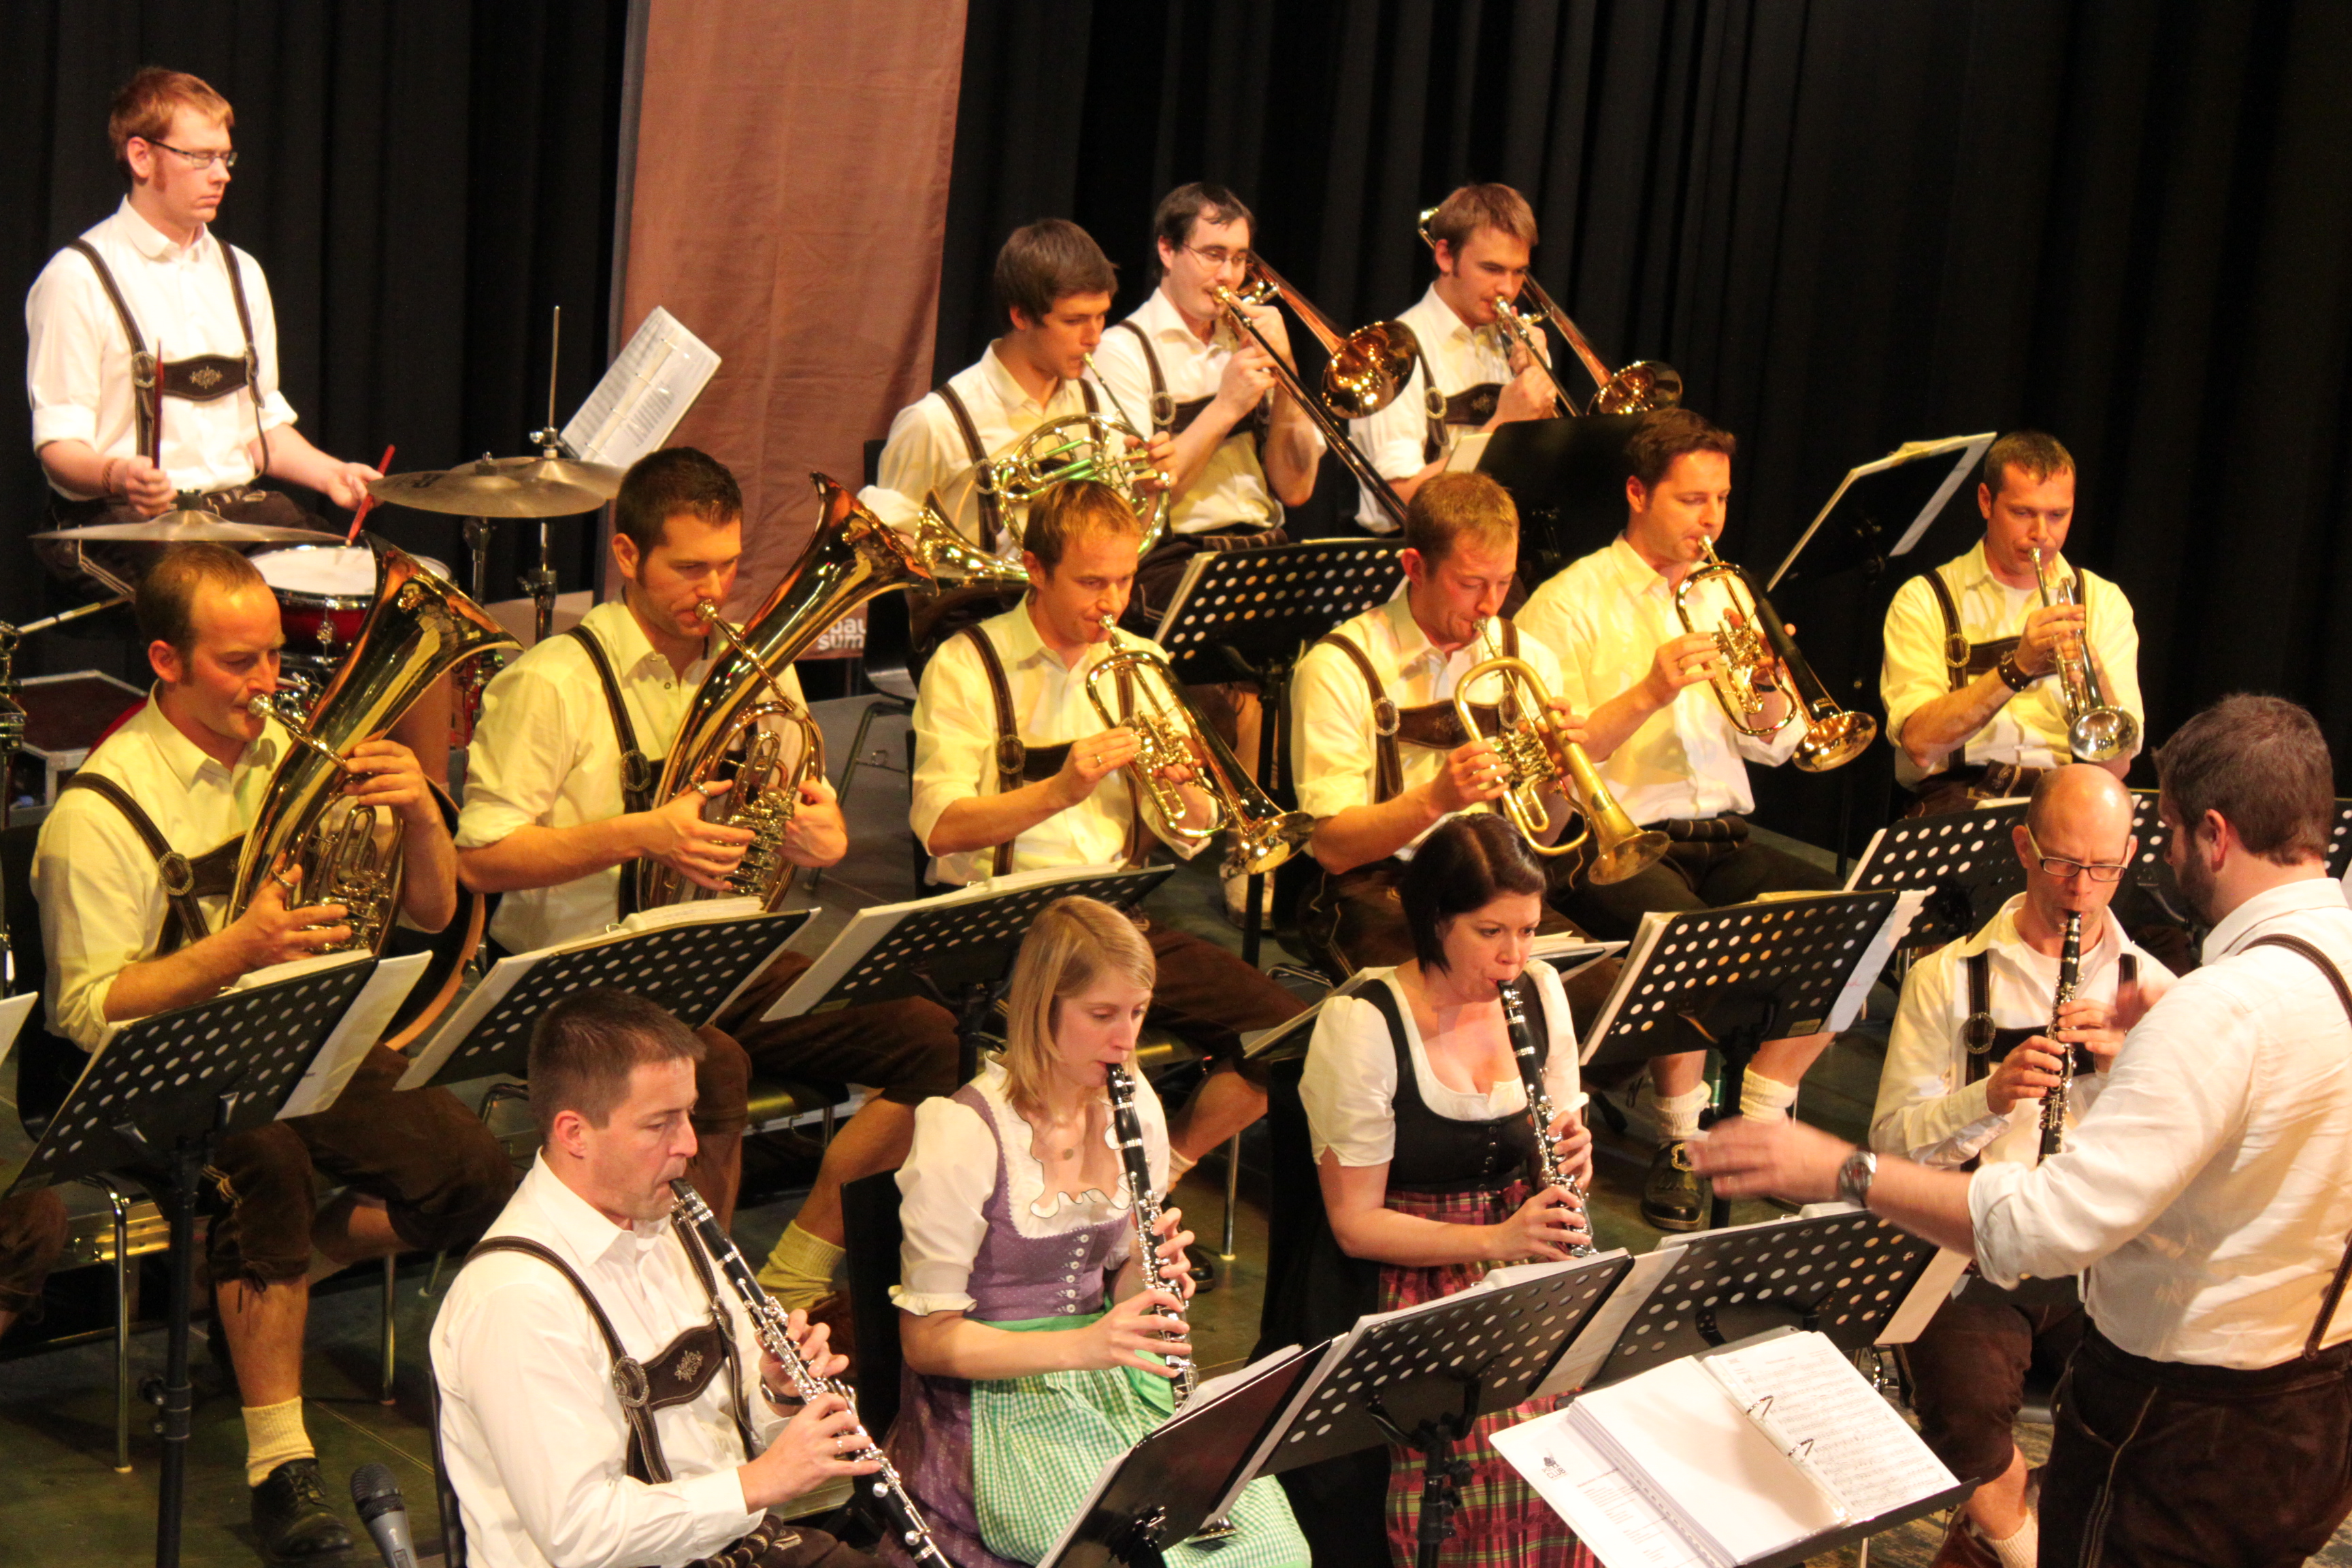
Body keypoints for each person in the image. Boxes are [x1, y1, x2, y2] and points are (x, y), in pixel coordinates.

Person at [1695, 694, 2352, 1568]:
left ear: (2215, 836)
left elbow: (2049, 1226)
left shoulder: (2217, 1006)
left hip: (2192, 1423)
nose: (2151, 860)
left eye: (2162, 834)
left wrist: (1843, 1170)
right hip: (2318, 1404)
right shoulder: (2315, 968)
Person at [27, 541, 512, 1563]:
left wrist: (420, 811)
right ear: (166, 661)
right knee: (269, 1173)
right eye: (239, 662)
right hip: (159, 1068)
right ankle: (278, 1468)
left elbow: (431, 914)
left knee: (469, 1168)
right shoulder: (96, 812)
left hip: (296, 1038)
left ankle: (252, 1293)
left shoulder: (296, 754)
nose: (269, 683)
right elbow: (86, 1010)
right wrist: (235, 951)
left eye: (275, 656)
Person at [456, 447, 960, 1348]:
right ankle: (695, 1304)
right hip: (584, 976)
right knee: (713, 1067)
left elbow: (806, 813)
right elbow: (483, 860)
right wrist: (643, 833)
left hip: (720, 953)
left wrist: (821, 838)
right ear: (626, 555)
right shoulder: (551, 681)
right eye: (690, 568)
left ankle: (793, 1265)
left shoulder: (758, 667)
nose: (715, 591)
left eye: (728, 566)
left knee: (929, 1035)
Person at [885, 896, 1308, 1568]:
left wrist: (1148, 1275)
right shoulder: (965, 1131)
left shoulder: (1134, 1105)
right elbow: (926, 1342)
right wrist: (1085, 1344)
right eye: (1102, 1015)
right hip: (995, 1409)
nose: (1125, 1040)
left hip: (1112, 1384)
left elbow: (1117, 1287)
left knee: (1273, 1546)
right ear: (1041, 1008)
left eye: (1137, 1013)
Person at [909, 478, 1301, 1179]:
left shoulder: (1141, 663)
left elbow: (1191, 831)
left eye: (1124, 581)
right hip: (1007, 925)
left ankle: (1160, 1172)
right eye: (1092, 582)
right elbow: (941, 828)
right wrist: (1059, 791)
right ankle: (1069, 1196)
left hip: (1116, 917)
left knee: (1287, 1035)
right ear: (1036, 569)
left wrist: (1184, 791)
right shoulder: (968, 663)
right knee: (1095, 1044)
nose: (1112, 603)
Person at [1516, 407, 1839, 1232]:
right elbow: (1552, 762)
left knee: (1853, 926)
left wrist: (1767, 689)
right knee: (1689, 943)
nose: (1712, 520)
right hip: (1612, 841)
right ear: (1637, 493)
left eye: (1721, 500)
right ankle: (1682, 1141)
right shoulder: (1567, 602)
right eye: (1693, 500)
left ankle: (1759, 1119)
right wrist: (1651, 691)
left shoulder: (1726, 592)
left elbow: (1777, 745)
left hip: (1723, 834)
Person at [432, 988, 879, 1568]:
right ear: (574, 1133)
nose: (689, 1144)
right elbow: (581, 1535)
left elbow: (726, 1438)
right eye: (659, 1124)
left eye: (688, 1113)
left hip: (730, 1549)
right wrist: (760, 1482)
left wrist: (777, 1395)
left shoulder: (674, 1223)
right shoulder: (516, 1300)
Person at [1260, 813, 1595, 1566]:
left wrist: (1574, 1162)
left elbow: (1563, 1160)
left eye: (1528, 931)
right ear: (1435, 920)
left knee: (1585, 1446)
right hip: (1397, 1279)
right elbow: (1354, 1224)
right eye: (1490, 932)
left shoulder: (1541, 991)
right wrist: (1497, 1240)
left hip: (1520, 1261)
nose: (1514, 956)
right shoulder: (1364, 1023)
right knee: (1488, 1452)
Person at [1869, 764, 2174, 1568]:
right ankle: (2019, 1539)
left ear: (2130, 857)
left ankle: (1993, 1535)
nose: (2082, 889)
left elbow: (2188, 1161)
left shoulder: (2158, 991)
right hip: (1972, 1250)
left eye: (2102, 868)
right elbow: (1891, 1148)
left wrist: (2134, 1067)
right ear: (2023, 847)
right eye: (2063, 863)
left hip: (2100, 1257)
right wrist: (1989, 1098)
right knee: (1966, 1421)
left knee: (2165, 1419)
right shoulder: (1947, 977)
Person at [1089, 183, 1324, 922]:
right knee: (1243, 664)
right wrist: (1225, 407)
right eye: (1212, 255)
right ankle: (1243, 846)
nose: (1228, 276)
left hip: (1261, 540)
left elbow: (1296, 487)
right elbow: (1135, 503)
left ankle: (1315, 844)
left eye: (1241, 259)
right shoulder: (1123, 351)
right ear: (1168, 250)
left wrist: (1286, 378)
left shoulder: (1249, 341)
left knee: (1336, 645)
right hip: (1166, 554)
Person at [25, 68, 380, 525]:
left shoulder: (241, 273)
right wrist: (119, 475)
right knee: (213, 580)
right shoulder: (78, 278)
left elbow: (258, 428)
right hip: (122, 523)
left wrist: (333, 474)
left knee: (365, 570)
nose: (222, 175)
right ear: (141, 157)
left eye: (225, 158)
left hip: (233, 514)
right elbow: (58, 445)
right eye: (201, 158)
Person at [1288, 469, 1595, 977]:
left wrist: (1559, 777)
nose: (1490, 605)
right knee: (1460, 991)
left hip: (1494, 885)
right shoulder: (1338, 666)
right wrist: (1436, 799)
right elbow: (1333, 848)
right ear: (1415, 566)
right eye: (1470, 584)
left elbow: (1544, 833)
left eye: (1504, 582)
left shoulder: (1529, 656)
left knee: (1599, 990)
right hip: (1380, 885)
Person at [865, 219, 1171, 557]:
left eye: (1101, 316)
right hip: (975, 592)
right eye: (1074, 321)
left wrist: (1146, 494)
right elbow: (888, 548)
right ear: (1021, 316)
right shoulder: (936, 423)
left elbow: (1114, 553)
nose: (1094, 338)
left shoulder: (1097, 406)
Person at [1880, 431, 2144, 816]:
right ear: (1986, 501)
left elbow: (2117, 768)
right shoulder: (1924, 599)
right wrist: (2018, 668)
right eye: (2023, 513)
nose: (2042, 534)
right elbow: (1920, 745)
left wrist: (2095, 674)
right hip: (1957, 798)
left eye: (2058, 515)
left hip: (2064, 802)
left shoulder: (2103, 600)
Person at [1343, 182, 1562, 534]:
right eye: (1492, 269)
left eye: (1519, 272)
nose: (1508, 289)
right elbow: (1399, 499)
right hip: (1416, 551)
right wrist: (1501, 427)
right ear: (1445, 256)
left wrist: (1542, 400)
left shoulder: (1518, 344)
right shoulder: (1393, 352)